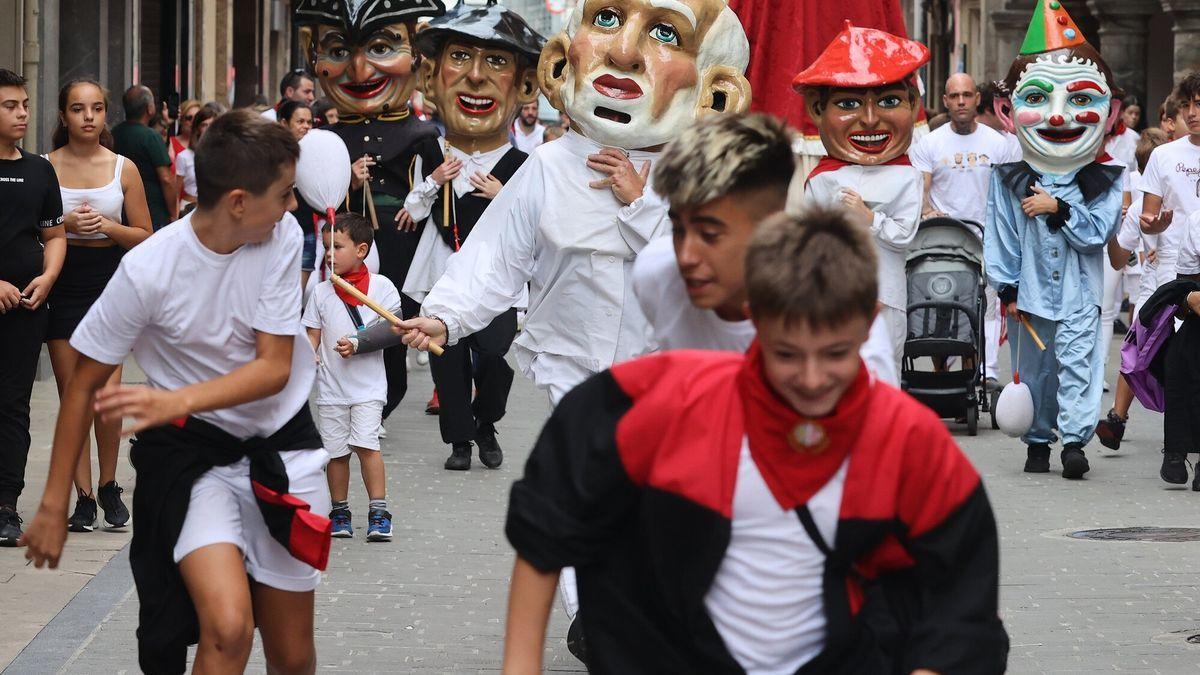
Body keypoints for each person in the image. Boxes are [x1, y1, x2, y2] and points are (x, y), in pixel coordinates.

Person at [501, 207, 1009, 673]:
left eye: (835, 354)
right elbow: (548, 520)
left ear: (868, 324)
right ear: (755, 320)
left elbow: (962, 609)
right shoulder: (665, 404)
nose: (812, 379)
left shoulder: (912, 442)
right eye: (787, 354)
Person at [22, 110, 330, 674]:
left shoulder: (282, 236)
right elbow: (82, 384)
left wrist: (175, 401)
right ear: (238, 201)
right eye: (284, 194)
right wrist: (52, 504)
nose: (293, 206)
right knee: (228, 628)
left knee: (292, 657)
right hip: (194, 465)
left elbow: (273, 369)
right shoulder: (148, 270)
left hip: (283, 453)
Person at [397, 0, 753, 406]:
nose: (624, 52)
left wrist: (642, 204)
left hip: (664, 374)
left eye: (665, 34)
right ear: (559, 63)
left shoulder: (709, 176)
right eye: (607, 19)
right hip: (569, 365)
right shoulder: (548, 166)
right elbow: (496, 254)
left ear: (717, 95)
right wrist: (446, 315)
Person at [388, 1, 545, 471]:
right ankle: (459, 442)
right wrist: (435, 180)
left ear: (524, 86)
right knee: (446, 360)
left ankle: (487, 421)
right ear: (432, 77)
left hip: (499, 283)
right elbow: (410, 212)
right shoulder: (428, 150)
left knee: (494, 357)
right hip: (440, 271)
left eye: (496, 61)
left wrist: (503, 197)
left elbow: (541, 234)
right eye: (460, 58)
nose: (475, 77)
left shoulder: (526, 167)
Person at [985, 2, 1124, 479]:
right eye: (1039, 99)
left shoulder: (1105, 178)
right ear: (1008, 112)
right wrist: (1005, 289)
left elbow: (1099, 233)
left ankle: (1075, 443)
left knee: (1081, 368)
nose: (1061, 117)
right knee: (1039, 372)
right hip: (1030, 293)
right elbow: (1001, 236)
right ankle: (1039, 441)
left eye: (1081, 99)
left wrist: (1059, 208)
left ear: (1110, 112)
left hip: (1081, 294)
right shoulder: (1007, 180)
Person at [295, 0, 450, 425]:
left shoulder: (420, 133)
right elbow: (316, 200)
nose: (361, 72)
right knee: (343, 324)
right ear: (313, 53)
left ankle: (378, 404)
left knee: (391, 326)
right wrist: (351, 181)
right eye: (340, 52)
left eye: (382, 48)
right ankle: (349, 404)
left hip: (401, 247)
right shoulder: (326, 139)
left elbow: (440, 201)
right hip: (345, 250)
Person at [43, 78, 153, 533]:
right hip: (63, 283)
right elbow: (30, 231)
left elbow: (146, 235)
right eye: (77, 108)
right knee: (74, 395)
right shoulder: (44, 168)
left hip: (110, 283)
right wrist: (62, 224)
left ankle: (109, 484)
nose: (87, 116)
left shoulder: (123, 168)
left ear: (106, 114)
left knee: (107, 397)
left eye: (95, 108)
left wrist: (108, 226)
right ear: (64, 116)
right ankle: (84, 498)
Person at [794, 22, 929, 381]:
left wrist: (869, 218)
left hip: (886, 293)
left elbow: (905, 235)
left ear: (912, 104)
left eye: (888, 101)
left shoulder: (907, 176)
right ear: (817, 110)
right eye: (850, 104)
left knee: (885, 380)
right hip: (835, 297)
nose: (870, 120)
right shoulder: (822, 179)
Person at [909, 72, 1022, 390]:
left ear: (976, 100)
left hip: (987, 242)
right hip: (944, 243)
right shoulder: (929, 143)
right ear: (945, 101)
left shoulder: (998, 144)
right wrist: (928, 210)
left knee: (984, 310)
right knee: (941, 311)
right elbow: (922, 190)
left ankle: (986, 373)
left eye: (967, 95)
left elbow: (1011, 193)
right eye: (954, 96)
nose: (961, 101)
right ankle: (945, 377)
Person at [0, 68, 66, 546]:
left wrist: (47, 277)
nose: (22, 113)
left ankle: (6, 506)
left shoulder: (40, 169)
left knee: (14, 405)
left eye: (24, 104)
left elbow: (55, 234)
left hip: (27, 307)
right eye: (10, 106)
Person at [303, 214, 395, 541]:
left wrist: (358, 344)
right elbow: (313, 333)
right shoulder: (320, 291)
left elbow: (393, 330)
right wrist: (308, 352)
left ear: (361, 250)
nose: (329, 253)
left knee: (367, 446)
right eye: (326, 246)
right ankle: (339, 510)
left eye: (337, 246)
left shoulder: (383, 288)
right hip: (331, 388)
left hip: (368, 388)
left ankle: (379, 511)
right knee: (336, 453)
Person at [1096, 128, 1170, 451]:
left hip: (1167, 293)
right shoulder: (1140, 206)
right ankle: (1117, 418)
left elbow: (1116, 259)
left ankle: (1117, 418)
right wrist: (1113, 223)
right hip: (1154, 294)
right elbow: (1117, 258)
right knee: (1134, 352)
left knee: (1136, 353)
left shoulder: (1185, 194)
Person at [1143, 73, 1200, 483]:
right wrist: (1155, 225)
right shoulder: (1165, 157)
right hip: (1180, 275)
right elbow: (1149, 221)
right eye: (1187, 106)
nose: (1193, 114)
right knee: (1176, 361)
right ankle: (1176, 449)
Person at [113, 85, 176, 229]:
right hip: (152, 212)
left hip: (121, 211)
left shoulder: (114, 133)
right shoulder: (151, 137)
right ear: (149, 108)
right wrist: (173, 214)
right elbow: (166, 179)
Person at [174, 102, 223, 214]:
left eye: (211, 125)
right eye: (204, 125)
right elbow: (176, 191)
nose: (207, 128)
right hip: (188, 208)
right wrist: (175, 215)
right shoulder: (184, 156)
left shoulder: (221, 154)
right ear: (197, 128)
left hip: (213, 208)